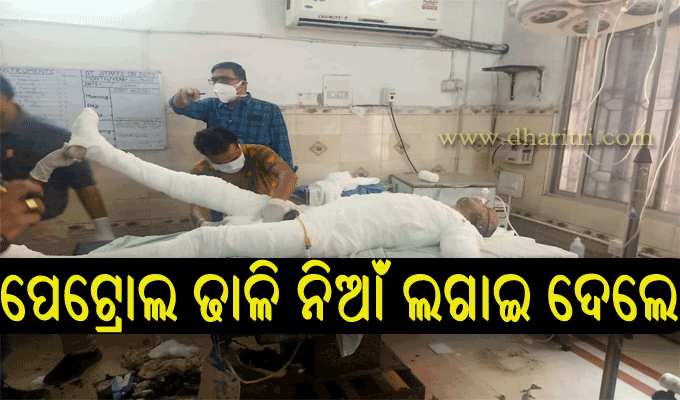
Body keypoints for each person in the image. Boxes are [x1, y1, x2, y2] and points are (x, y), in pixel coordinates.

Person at [1, 108, 499, 259]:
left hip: (316, 237)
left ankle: (50, 270)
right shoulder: (432, 208)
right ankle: (100, 148)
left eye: (487, 209)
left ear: (478, 221)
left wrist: (481, 238)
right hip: (308, 216)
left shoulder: (457, 229)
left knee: (208, 243)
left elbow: (464, 268)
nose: (482, 202)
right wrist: (281, 207)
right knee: (206, 191)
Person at [0, 74, 115, 246]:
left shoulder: (52, 136)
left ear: (4, 95)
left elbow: (84, 184)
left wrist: (104, 230)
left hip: (39, 230)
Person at [169, 62, 295, 171]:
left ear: (243, 84)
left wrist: (286, 178)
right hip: (222, 174)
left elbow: (282, 148)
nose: (218, 84)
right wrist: (181, 96)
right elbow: (181, 107)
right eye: (215, 80)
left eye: (224, 79)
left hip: (257, 175)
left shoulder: (268, 109)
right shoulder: (211, 106)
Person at [189, 126, 298, 227]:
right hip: (232, 222)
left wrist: (277, 203)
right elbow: (196, 205)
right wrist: (204, 224)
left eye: (234, 159)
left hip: (270, 214)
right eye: (222, 164)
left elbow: (288, 175)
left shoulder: (259, 153)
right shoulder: (202, 170)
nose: (231, 165)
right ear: (208, 158)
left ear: (240, 145)